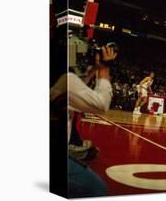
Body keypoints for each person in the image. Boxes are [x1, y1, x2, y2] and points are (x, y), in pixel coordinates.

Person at [50, 45, 117, 197]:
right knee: (98, 190)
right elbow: (102, 105)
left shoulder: (56, 74)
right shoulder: (67, 79)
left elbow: (76, 87)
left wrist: (94, 69)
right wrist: (105, 68)